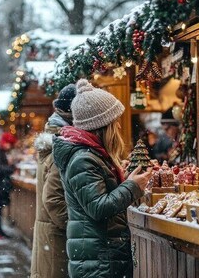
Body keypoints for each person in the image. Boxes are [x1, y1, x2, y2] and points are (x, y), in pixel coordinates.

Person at [52, 79, 152, 278]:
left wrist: (124, 181)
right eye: (114, 123)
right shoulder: (83, 159)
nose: (118, 128)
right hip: (98, 260)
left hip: (100, 255)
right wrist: (132, 186)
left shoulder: (91, 155)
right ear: (102, 126)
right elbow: (98, 207)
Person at [30, 84, 76, 278]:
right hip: (56, 239)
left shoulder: (55, 139)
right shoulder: (61, 145)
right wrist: (77, 227)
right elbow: (53, 200)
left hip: (49, 236)